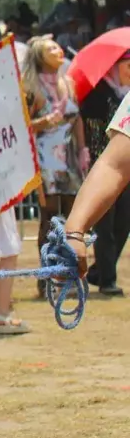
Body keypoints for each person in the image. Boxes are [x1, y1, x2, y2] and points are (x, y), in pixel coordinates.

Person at [22, 37, 88, 298]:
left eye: (58, 47)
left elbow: (77, 118)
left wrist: (83, 149)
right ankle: (47, 276)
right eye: (51, 48)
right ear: (39, 56)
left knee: (74, 216)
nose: (58, 50)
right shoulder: (31, 88)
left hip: (69, 155)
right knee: (48, 218)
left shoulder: (68, 83)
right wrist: (45, 121)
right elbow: (24, 125)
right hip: (44, 156)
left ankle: (68, 272)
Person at [77, 49, 130, 296]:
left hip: (125, 167)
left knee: (123, 224)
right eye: (126, 65)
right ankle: (107, 279)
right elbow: (96, 130)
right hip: (104, 163)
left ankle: (100, 271)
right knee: (105, 226)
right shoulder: (99, 95)